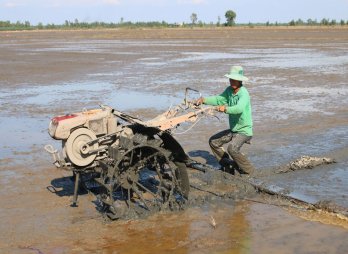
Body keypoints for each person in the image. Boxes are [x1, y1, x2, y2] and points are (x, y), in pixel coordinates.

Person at [195, 66, 255, 175]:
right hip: (234, 130)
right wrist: (204, 100)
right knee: (213, 142)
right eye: (231, 79)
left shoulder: (244, 93)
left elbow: (239, 108)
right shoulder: (229, 90)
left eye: (235, 79)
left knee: (232, 149)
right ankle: (228, 165)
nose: (232, 81)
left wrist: (225, 109)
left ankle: (249, 171)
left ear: (240, 80)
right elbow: (219, 99)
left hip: (244, 131)